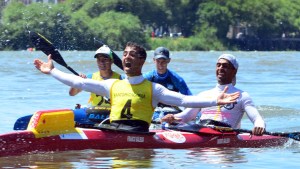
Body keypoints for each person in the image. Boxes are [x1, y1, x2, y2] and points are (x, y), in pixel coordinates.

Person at [33, 42, 240, 132]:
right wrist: (51, 71)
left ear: (141, 61)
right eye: (124, 54)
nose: (126, 57)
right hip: (111, 130)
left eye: (131, 55)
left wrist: (215, 100)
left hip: (138, 134)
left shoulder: (154, 89)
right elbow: (78, 82)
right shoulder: (111, 84)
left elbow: (185, 100)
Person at [161, 54, 265, 135]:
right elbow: (186, 116)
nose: (220, 68)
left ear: (234, 71)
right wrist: (173, 118)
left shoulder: (242, 96)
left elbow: (257, 118)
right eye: (218, 65)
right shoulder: (204, 95)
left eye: (225, 66)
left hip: (226, 135)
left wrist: (259, 126)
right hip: (202, 132)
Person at [144, 47, 192, 120]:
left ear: (169, 61)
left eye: (164, 61)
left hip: (171, 113)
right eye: (158, 61)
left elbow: (190, 100)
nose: (160, 64)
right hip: (153, 112)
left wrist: (193, 116)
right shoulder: (147, 78)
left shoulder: (177, 80)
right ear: (154, 60)